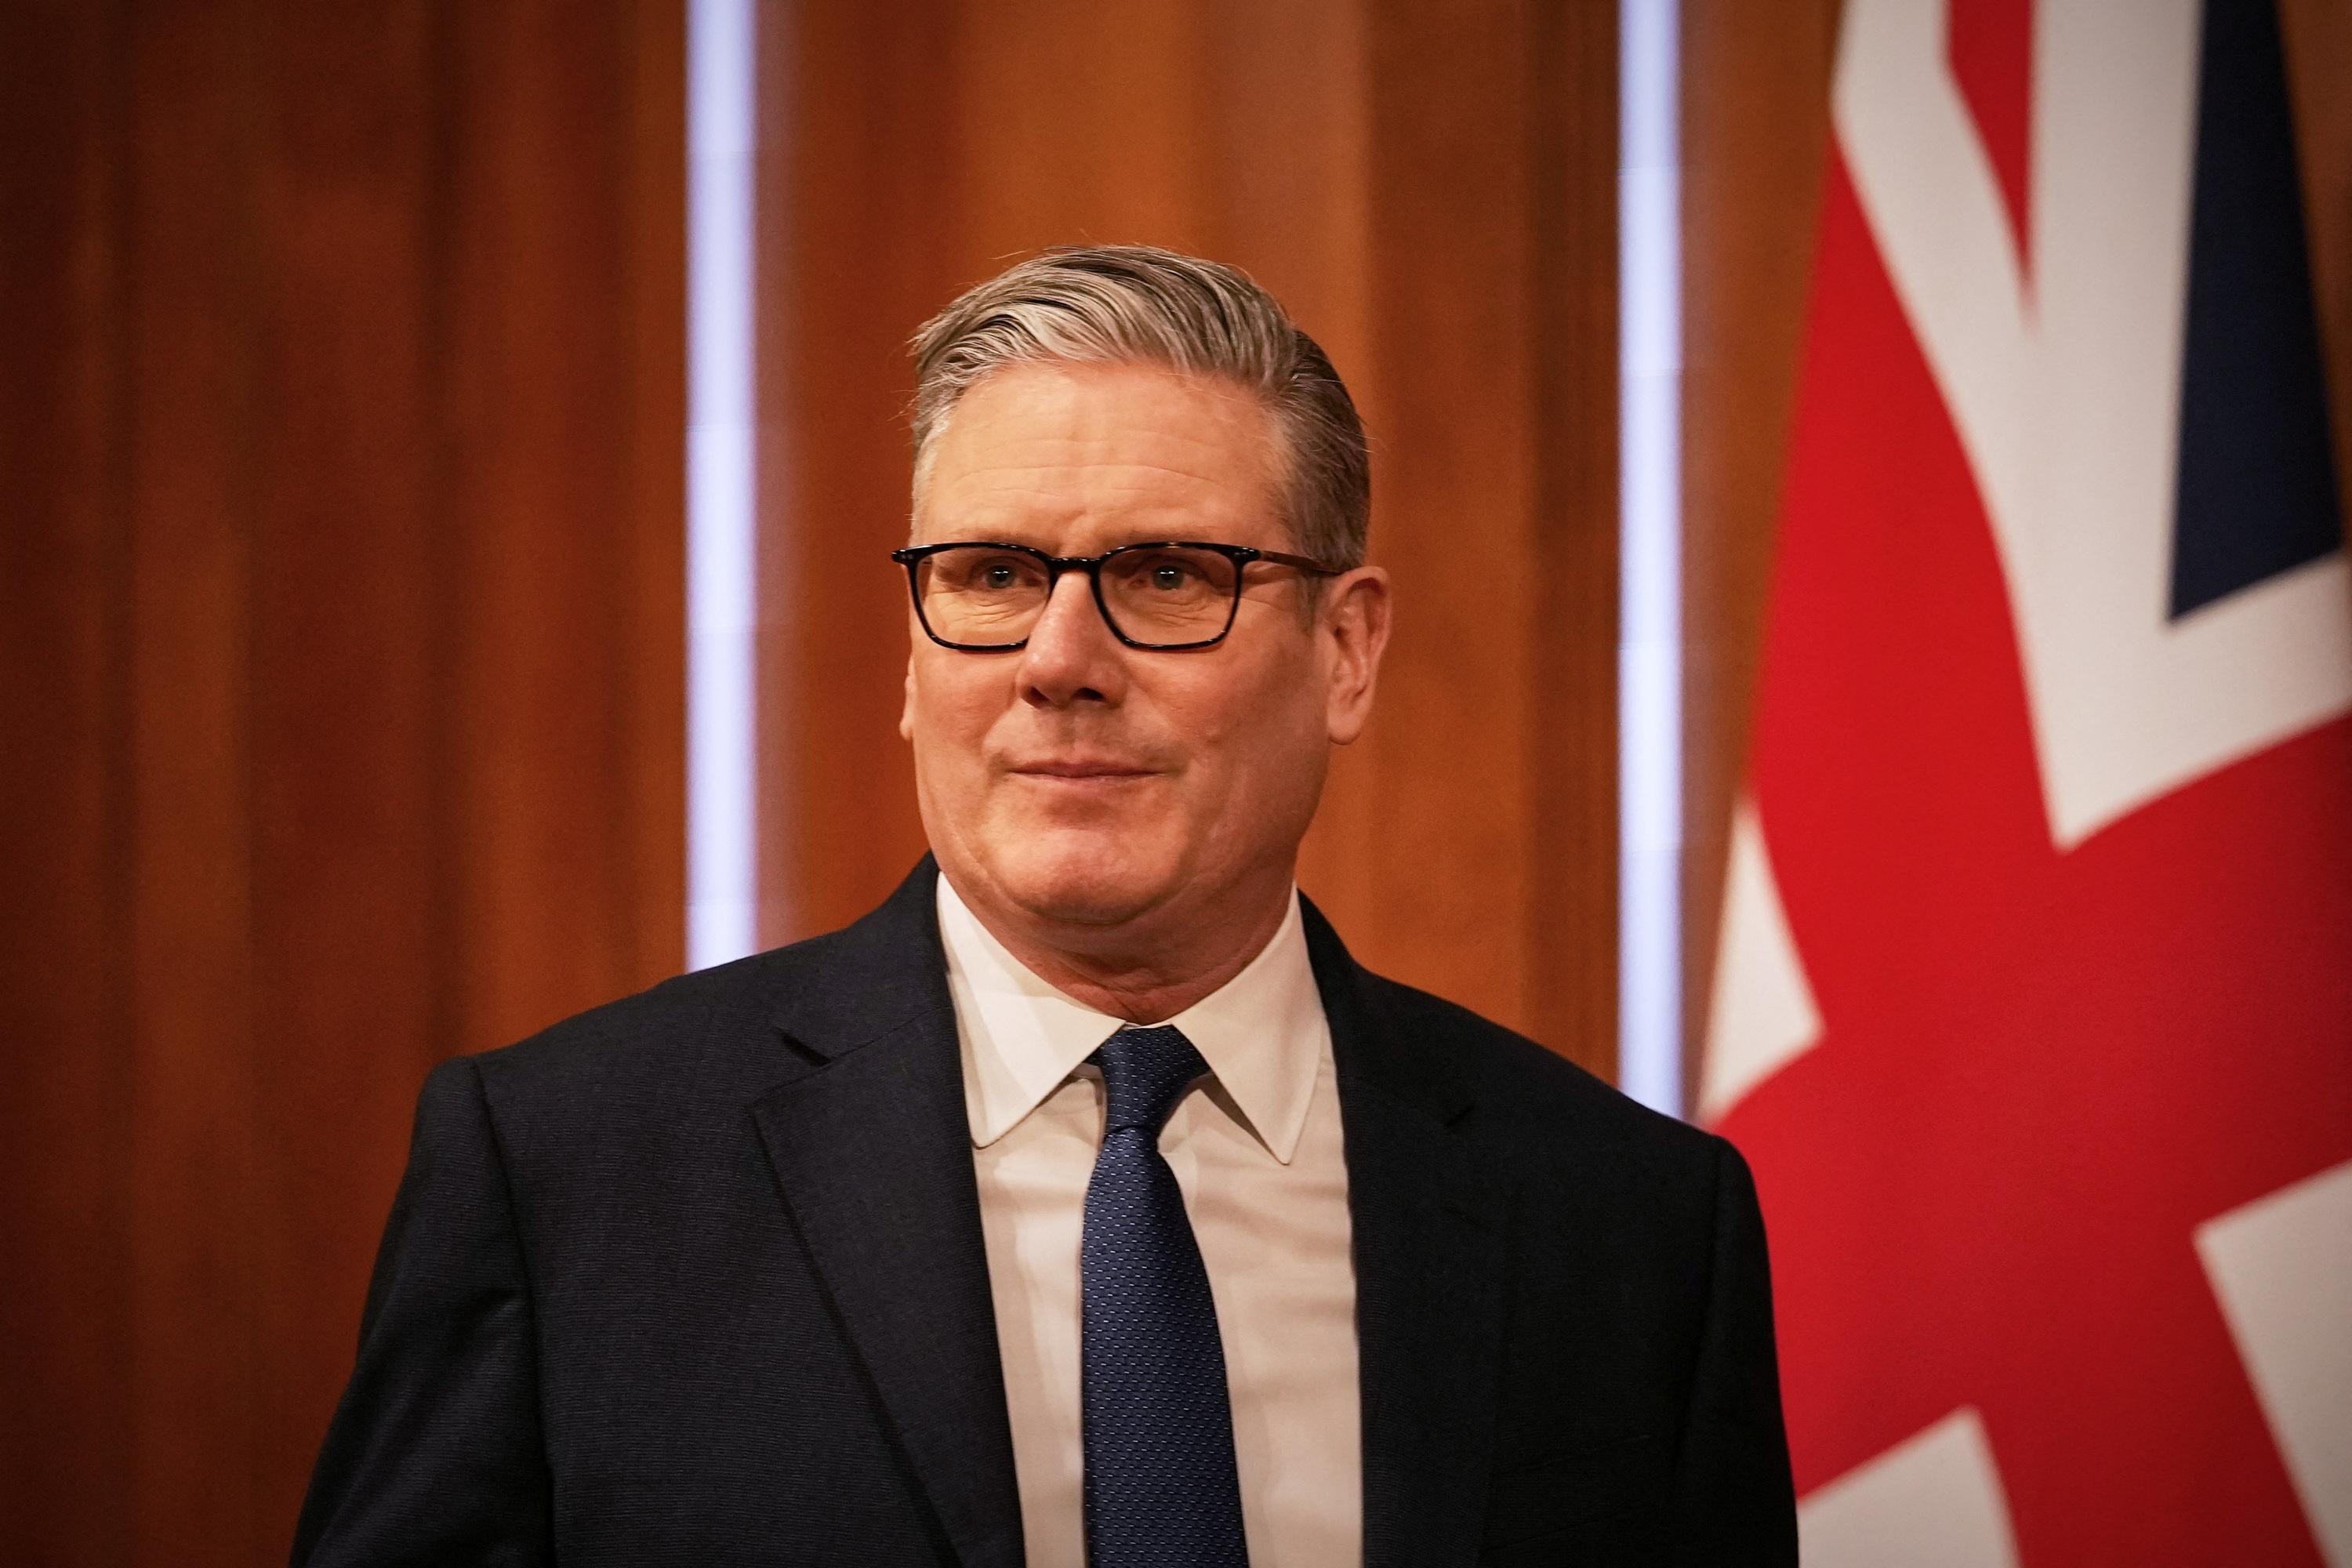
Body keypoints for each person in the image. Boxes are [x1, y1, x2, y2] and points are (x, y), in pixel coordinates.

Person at [293, 245, 1795, 1566]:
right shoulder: (568, 1177)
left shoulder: (1637, 1232)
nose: (1060, 660)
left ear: (1346, 652)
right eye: (994, 575)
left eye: (1168, 575)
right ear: (913, 652)